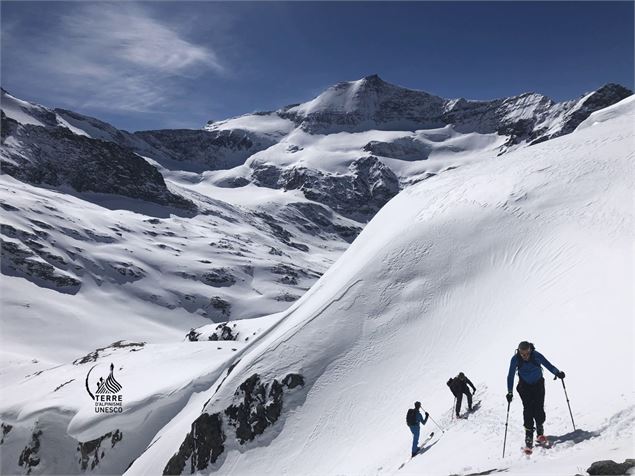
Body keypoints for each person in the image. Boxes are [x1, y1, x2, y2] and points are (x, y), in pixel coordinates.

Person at [506, 341, 565, 451]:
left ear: (530, 350)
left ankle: (540, 430)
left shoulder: (536, 355)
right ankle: (529, 435)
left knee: (539, 407)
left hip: (538, 385)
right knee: (528, 409)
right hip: (524, 387)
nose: (525, 356)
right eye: (522, 354)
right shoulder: (515, 359)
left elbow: (548, 365)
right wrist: (509, 392)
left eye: (527, 353)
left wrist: (557, 373)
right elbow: (510, 376)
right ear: (519, 352)